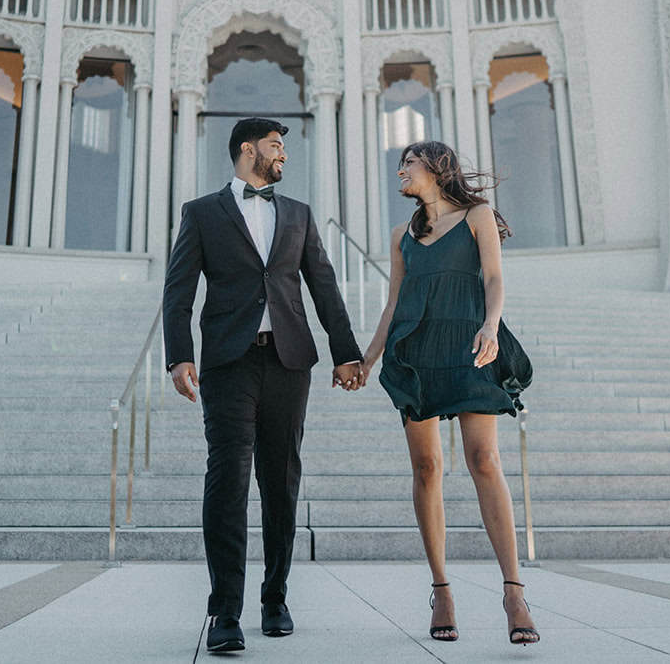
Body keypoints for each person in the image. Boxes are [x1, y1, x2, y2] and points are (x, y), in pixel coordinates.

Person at [162, 117, 365, 654]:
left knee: (281, 482)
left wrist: (346, 354)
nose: (283, 156)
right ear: (247, 150)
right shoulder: (202, 213)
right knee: (227, 481)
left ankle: (275, 597)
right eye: (276, 146)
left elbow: (324, 286)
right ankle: (224, 610)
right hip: (228, 364)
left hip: (289, 362)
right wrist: (178, 354)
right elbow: (178, 290)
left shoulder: (297, 213)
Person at [354, 139, 539, 646]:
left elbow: (496, 277)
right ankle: (442, 591)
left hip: (469, 344)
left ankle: (514, 593)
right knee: (427, 468)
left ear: (436, 167)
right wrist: (368, 360)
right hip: (414, 353)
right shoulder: (402, 236)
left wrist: (492, 326)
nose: (400, 170)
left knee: (484, 461)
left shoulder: (478, 215)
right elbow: (394, 305)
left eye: (408, 162)